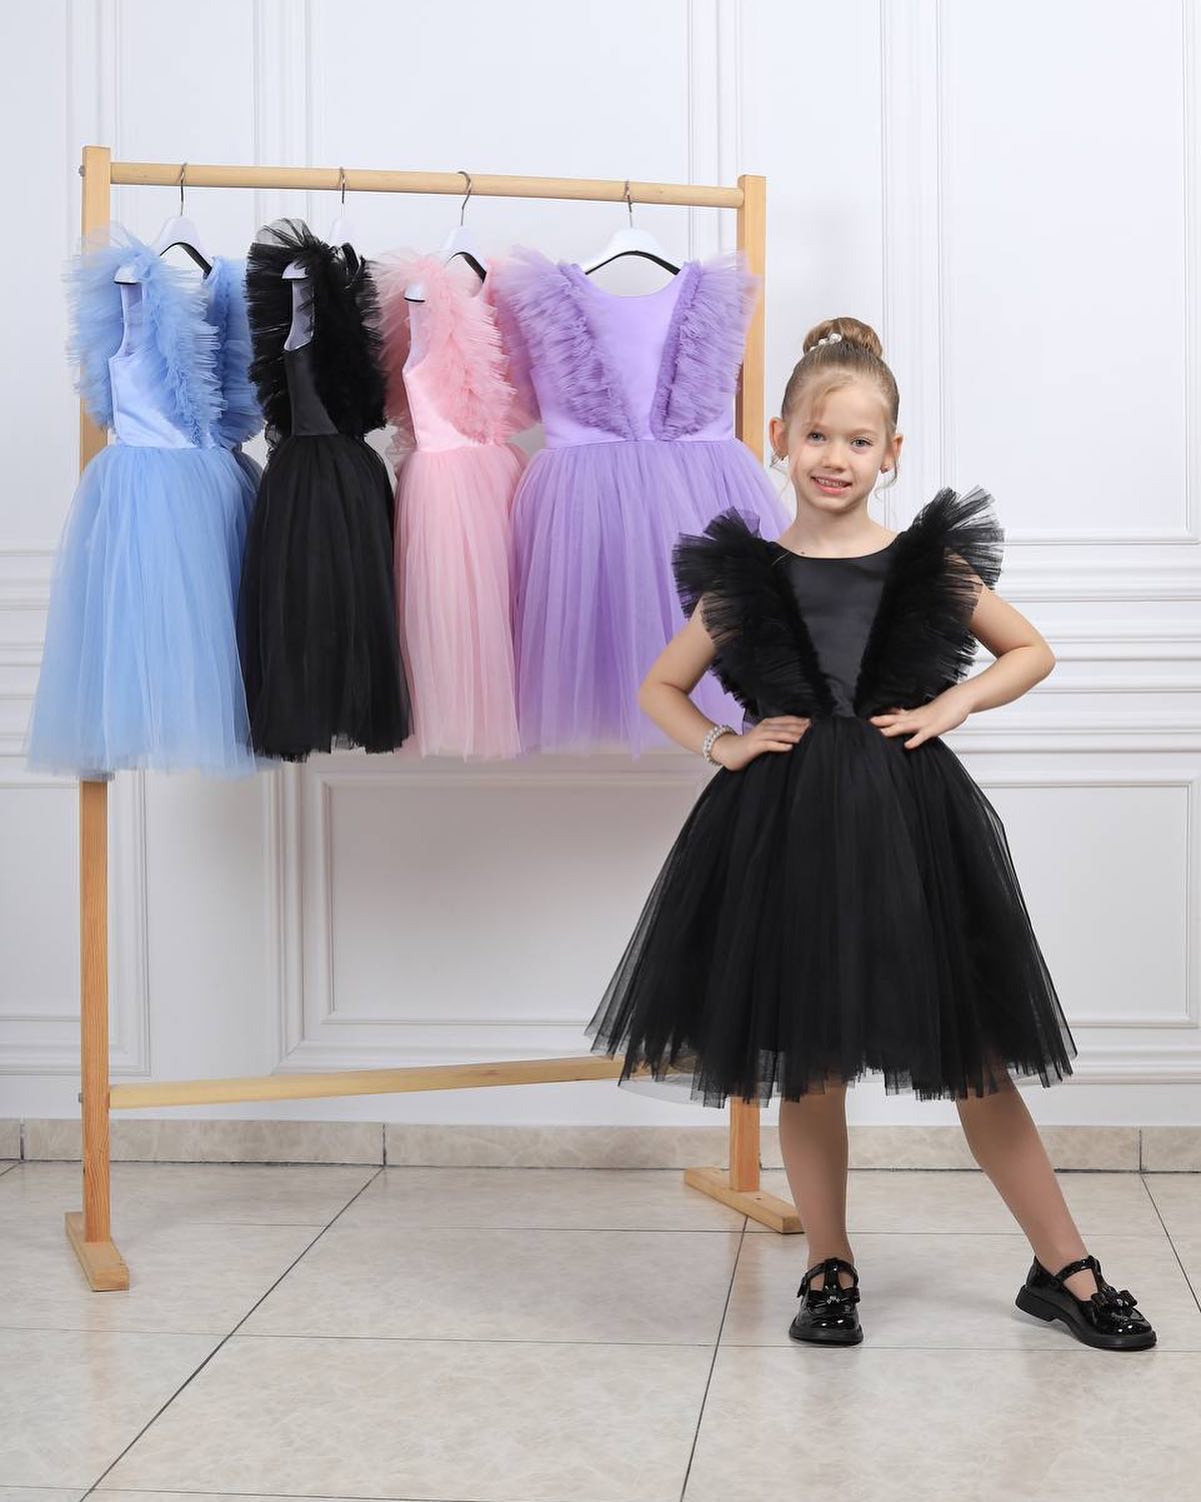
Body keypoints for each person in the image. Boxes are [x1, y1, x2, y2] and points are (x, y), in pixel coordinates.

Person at [585, 318, 1156, 1352]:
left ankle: (1062, 1265)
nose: (835, 457)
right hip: (783, 833)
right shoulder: (745, 579)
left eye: (858, 440)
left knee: (976, 1053)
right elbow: (661, 685)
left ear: (891, 453)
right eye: (816, 435)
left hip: (910, 830)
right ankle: (829, 1261)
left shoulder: (924, 566)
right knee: (808, 1058)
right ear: (776, 438)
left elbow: (1029, 650)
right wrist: (722, 743)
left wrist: (952, 705)